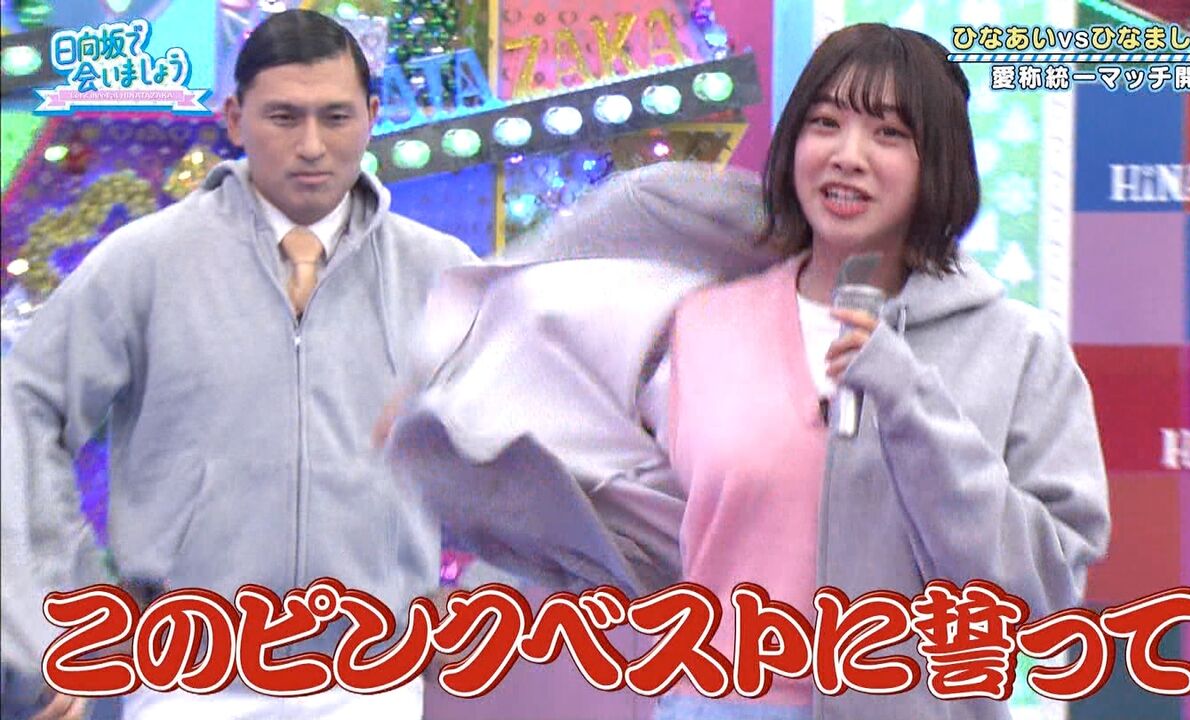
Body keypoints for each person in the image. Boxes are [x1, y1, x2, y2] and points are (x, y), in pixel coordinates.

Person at [388, 22, 1110, 720]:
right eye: (825, 123)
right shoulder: (703, 325)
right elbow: (625, 527)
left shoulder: (1018, 349)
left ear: (940, 163)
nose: (848, 155)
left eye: (888, 133)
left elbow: (1038, 592)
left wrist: (910, 402)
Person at [1, 9, 477, 719]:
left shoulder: (441, 271)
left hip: (374, 681)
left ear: (373, 117)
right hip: (188, 680)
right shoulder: (146, 261)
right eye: (283, 117)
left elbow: (512, 453)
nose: (311, 145)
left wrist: (468, 595)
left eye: (336, 116)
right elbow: (24, 407)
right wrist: (55, 613)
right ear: (234, 118)